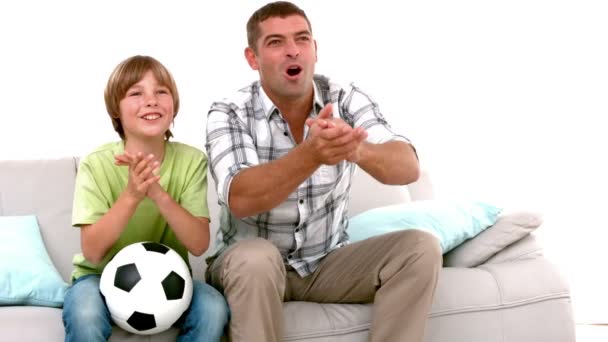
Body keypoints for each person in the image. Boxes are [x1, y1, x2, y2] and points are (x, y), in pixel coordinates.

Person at [204, 2, 442, 342]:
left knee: (420, 247)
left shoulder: (344, 96)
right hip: (248, 265)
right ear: (252, 58)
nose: (292, 51)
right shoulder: (229, 111)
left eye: (302, 39)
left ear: (315, 49)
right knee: (257, 258)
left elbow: (407, 167)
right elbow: (241, 198)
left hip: (326, 263)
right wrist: (311, 154)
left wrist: (357, 149)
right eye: (275, 43)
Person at [63, 55, 229, 342]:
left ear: (174, 105)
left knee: (213, 308)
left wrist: (157, 192)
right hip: (98, 277)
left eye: (161, 92)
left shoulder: (191, 161)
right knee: (85, 313)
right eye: (136, 93)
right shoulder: (96, 164)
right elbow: (92, 251)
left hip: (171, 277)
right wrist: (132, 195)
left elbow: (199, 244)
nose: (151, 100)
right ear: (116, 109)